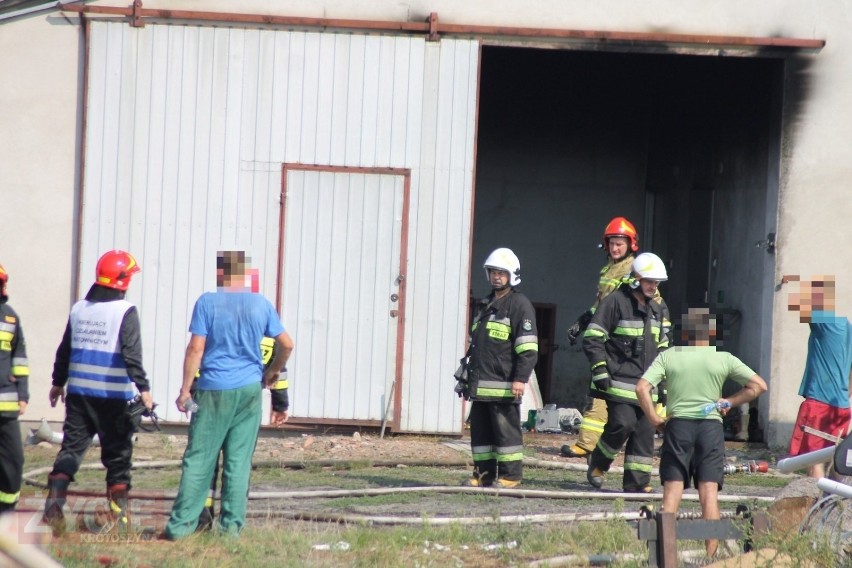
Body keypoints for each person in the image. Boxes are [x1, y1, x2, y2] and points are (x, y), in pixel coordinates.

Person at [163, 250, 293, 539]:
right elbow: (287, 344)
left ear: (222, 276)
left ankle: (180, 528)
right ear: (247, 277)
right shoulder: (261, 305)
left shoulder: (208, 302)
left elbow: (196, 348)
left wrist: (185, 389)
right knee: (238, 460)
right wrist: (272, 372)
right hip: (249, 392)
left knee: (199, 457)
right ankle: (230, 529)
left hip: (213, 389)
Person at [635, 307, 767, 557]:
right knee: (709, 493)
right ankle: (711, 557)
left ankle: (664, 556)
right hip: (710, 429)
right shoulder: (723, 358)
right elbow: (759, 386)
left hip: (678, 427)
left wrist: (655, 419)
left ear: (685, 332)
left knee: (672, 492)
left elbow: (642, 388)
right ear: (712, 332)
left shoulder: (669, 356)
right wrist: (728, 401)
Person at [43, 250, 152, 530]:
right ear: (122, 280)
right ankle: (119, 516)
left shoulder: (79, 308)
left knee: (71, 449)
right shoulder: (124, 312)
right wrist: (145, 390)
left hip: (79, 395)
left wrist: (58, 382)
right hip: (112, 398)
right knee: (118, 455)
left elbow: (64, 349)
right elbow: (131, 354)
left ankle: (53, 508)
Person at [583, 252, 671, 493]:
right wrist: (600, 368)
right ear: (635, 279)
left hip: (647, 384)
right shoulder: (615, 302)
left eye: (656, 283)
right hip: (618, 379)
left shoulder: (658, 308)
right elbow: (593, 338)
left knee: (644, 431)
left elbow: (664, 346)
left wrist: (663, 382)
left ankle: (637, 483)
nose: (653, 287)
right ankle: (598, 463)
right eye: (649, 281)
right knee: (622, 423)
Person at [563, 216, 641, 458]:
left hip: (621, 342)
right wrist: (583, 320)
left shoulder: (634, 270)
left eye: (620, 243)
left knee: (608, 390)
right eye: (612, 243)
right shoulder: (609, 269)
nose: (616, 247)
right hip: (607, 339)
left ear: (631, 245)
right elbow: (602, 305)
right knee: (599, 388)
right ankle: (589, 443)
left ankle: (591, 444)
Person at [194, 335, 290, 530]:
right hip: (248, 402)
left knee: (206, 461)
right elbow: (279, 371)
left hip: (212, 396)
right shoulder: (268, 338)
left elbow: (199, 359)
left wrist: (191, 392)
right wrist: (280, 404)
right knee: (238, 463)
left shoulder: (221, 327)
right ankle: (231, 525)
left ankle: (202, 521)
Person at [461, 248, 538, 489]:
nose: (496, 277)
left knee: (506, 435)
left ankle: (511, 477)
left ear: (511, 275)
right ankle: (483, 475)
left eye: (501, 273)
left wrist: (520, 378)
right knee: (481, 435)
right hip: (481, 383)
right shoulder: (486, 304)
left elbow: (528, 348)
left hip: (505, 385)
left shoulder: (519, 305)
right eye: (493, 272)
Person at [783, 274, 852, 479]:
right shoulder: (848, 328)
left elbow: (797, 304)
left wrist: (794, 280)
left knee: (812, 460)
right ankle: (835, 503)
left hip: (820, 404)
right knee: (835, 458)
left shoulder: (824, 323)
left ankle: (816, 506)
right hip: (842, 406)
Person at [0, 264, 30, 514]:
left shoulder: (10, 317)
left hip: (6, 406)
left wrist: (23, 393)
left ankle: (6, 512)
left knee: (13, 461)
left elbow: (19, 356)